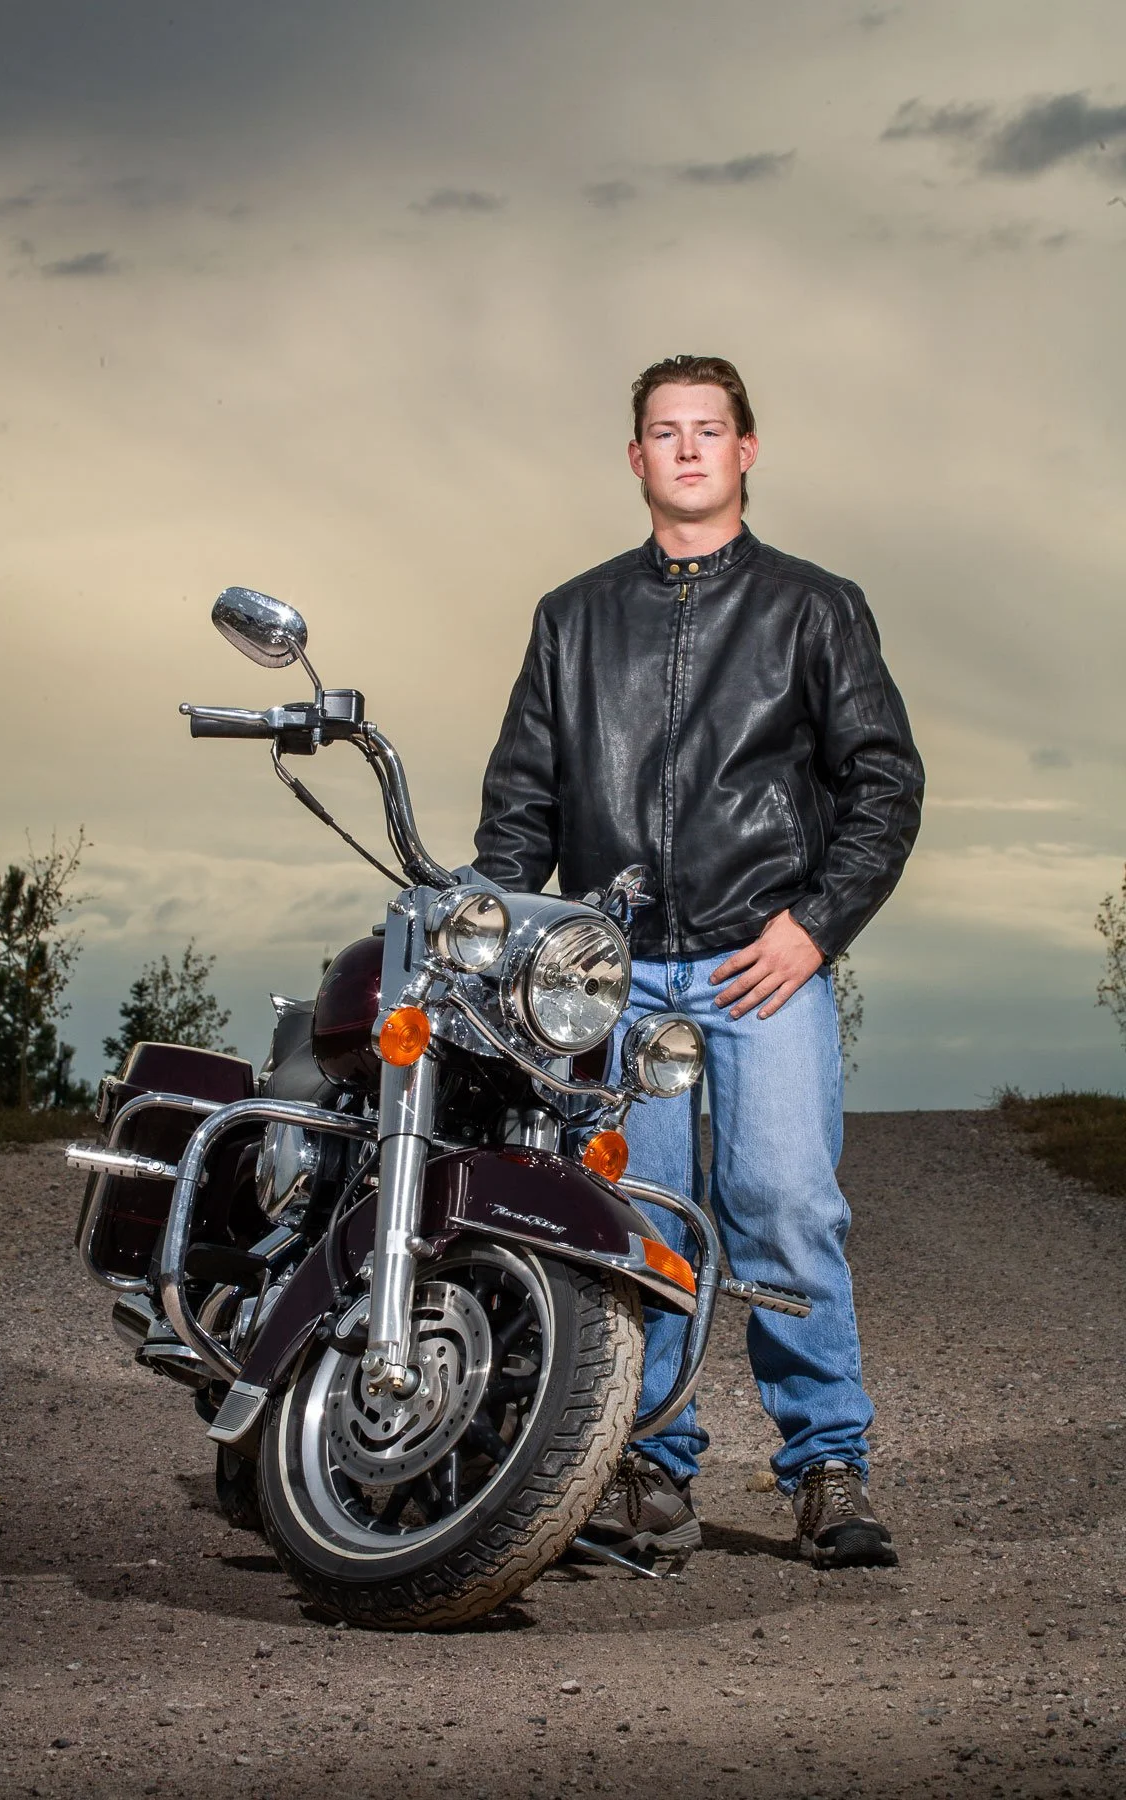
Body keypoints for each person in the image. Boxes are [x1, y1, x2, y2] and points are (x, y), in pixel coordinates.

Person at [473, 354, 924, 1568]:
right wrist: (535, 960)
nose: (686, 449)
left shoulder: (812, 607)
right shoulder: (571, 619)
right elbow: (519, 811)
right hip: (617, 983)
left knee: (783, 1208)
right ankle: (642, 1469)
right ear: (634, 458)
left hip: (758, 963)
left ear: (746, 450)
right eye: (664, 432)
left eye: (708, 429)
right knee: (635, 1227)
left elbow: (883, 783)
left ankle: (827, 1464)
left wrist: (815, 924)